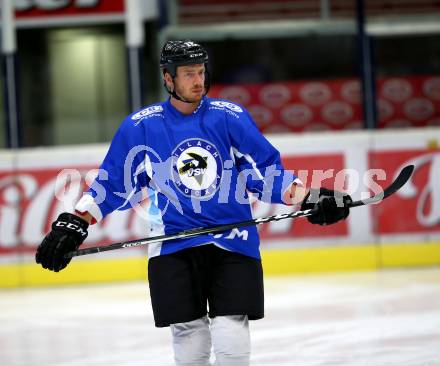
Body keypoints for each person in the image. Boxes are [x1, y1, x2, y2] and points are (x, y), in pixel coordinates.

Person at [36, 40, 351, 365]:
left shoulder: (229, 117)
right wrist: (74, 223)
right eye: (188, 74)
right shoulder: (141, 127)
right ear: (168, 78)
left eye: (200, 72)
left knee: (231, 334)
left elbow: (267, 174)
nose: (198, 81)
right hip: (173, 247)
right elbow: (112, 184)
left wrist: (309, 197)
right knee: (190, 340)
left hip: (233, 242)